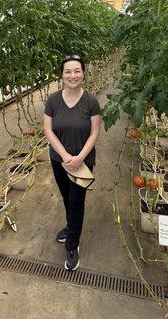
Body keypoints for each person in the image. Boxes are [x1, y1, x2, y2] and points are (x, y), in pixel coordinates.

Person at [44, 55, 101, 270]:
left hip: (83, 162)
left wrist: (79, 158)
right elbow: (48, 130)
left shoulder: (91, 102)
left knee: (77, 202)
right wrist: (66, 156)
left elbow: (95, 133)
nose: (72, 75)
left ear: (83, 74)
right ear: (62, 75)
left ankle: (72, 244)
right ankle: (71, 227)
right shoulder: (53, 100)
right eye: (68, 71)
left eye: (77, 71)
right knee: (66, 197)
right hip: (59, 160)